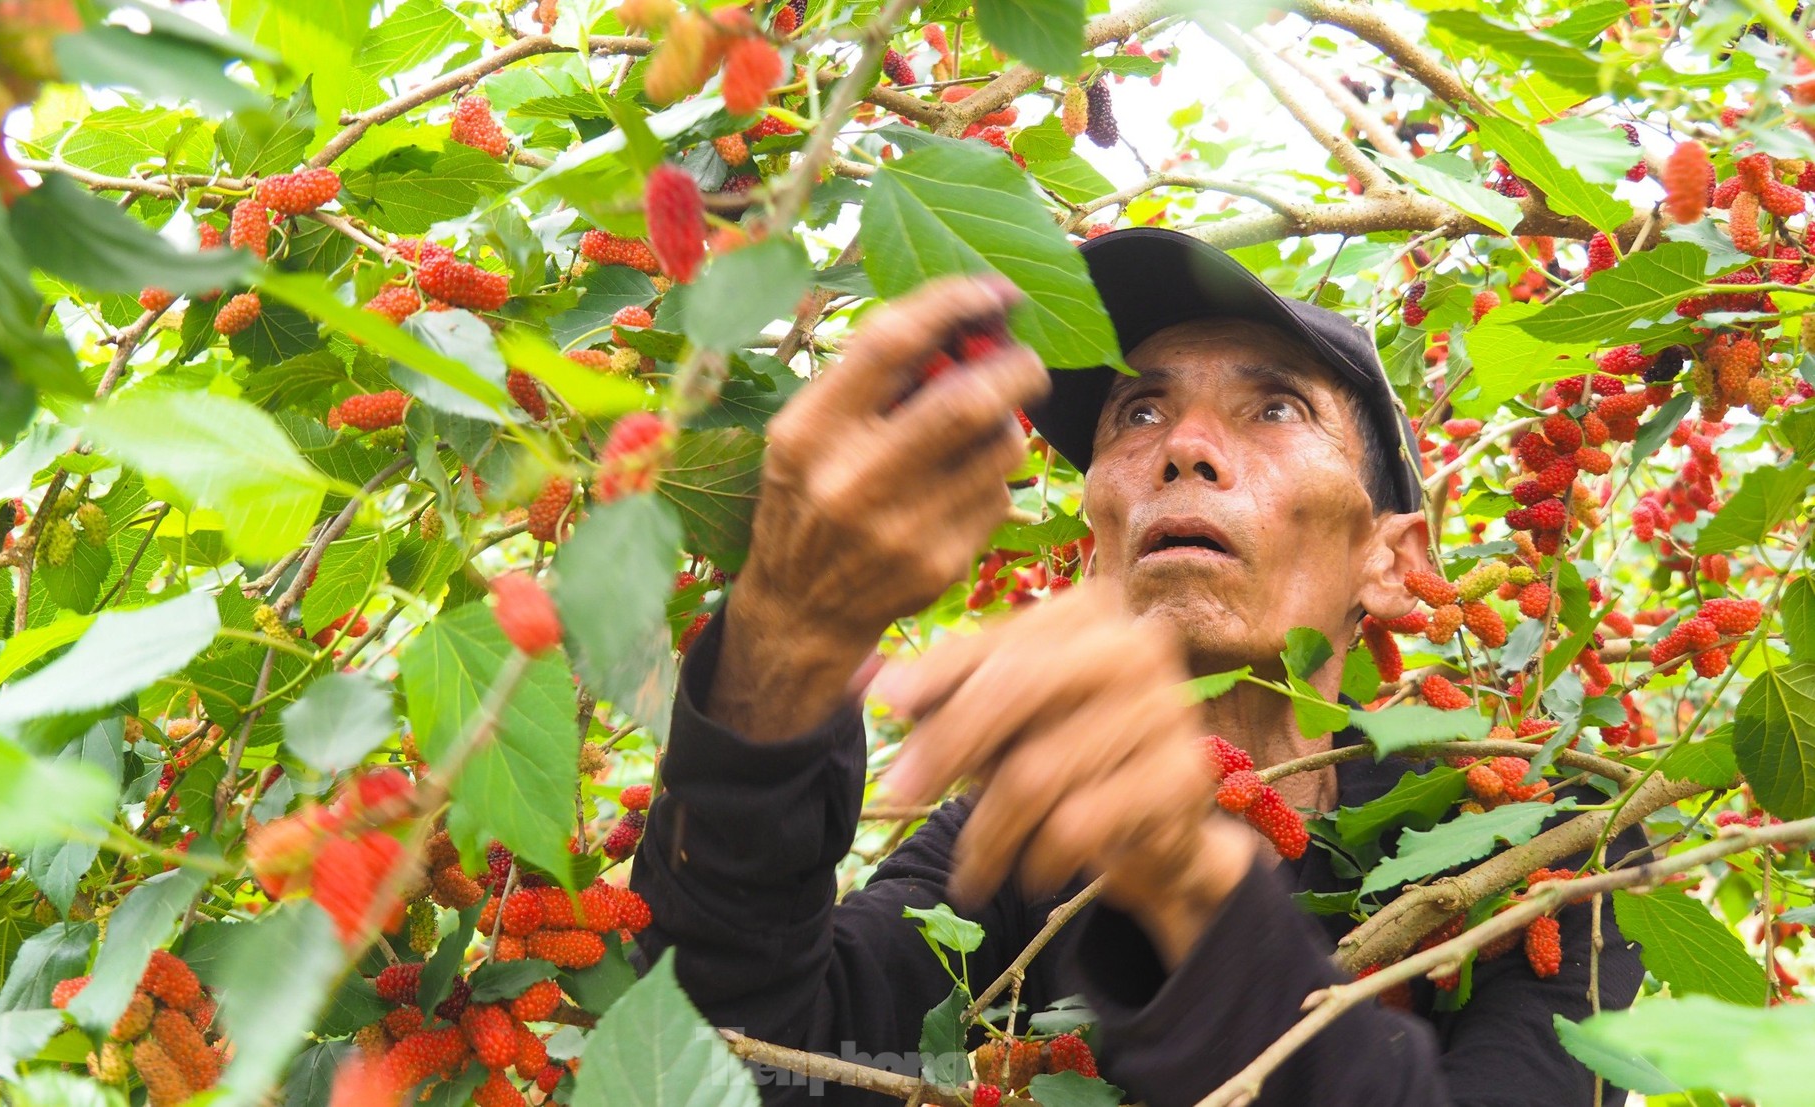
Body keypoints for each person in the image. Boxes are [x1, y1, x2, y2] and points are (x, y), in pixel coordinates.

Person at [629, 227, 1644, 1105]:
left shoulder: (1549, 842)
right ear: (1097, 543)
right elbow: (746, 1060)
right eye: (1138, 414)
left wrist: (1188, 891)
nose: (1184, 448)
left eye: (1275, 409)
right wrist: (782, 642)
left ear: (1393, 563)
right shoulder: (1011, 838)